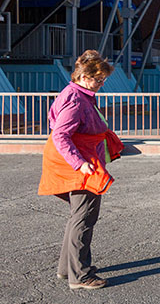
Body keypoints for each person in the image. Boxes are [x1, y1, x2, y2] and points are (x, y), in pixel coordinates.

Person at [38, 50, 123, 290]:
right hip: (80, 164)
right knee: (84, 217)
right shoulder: (76, 99)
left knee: (79, 216)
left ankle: (69, 269)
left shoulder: (76, 94)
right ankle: (80, 275)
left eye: (103, 80)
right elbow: (61, 135)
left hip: (80, 160)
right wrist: (79, 163)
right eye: (98, 80)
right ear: (84, 77)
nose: (101, 84)